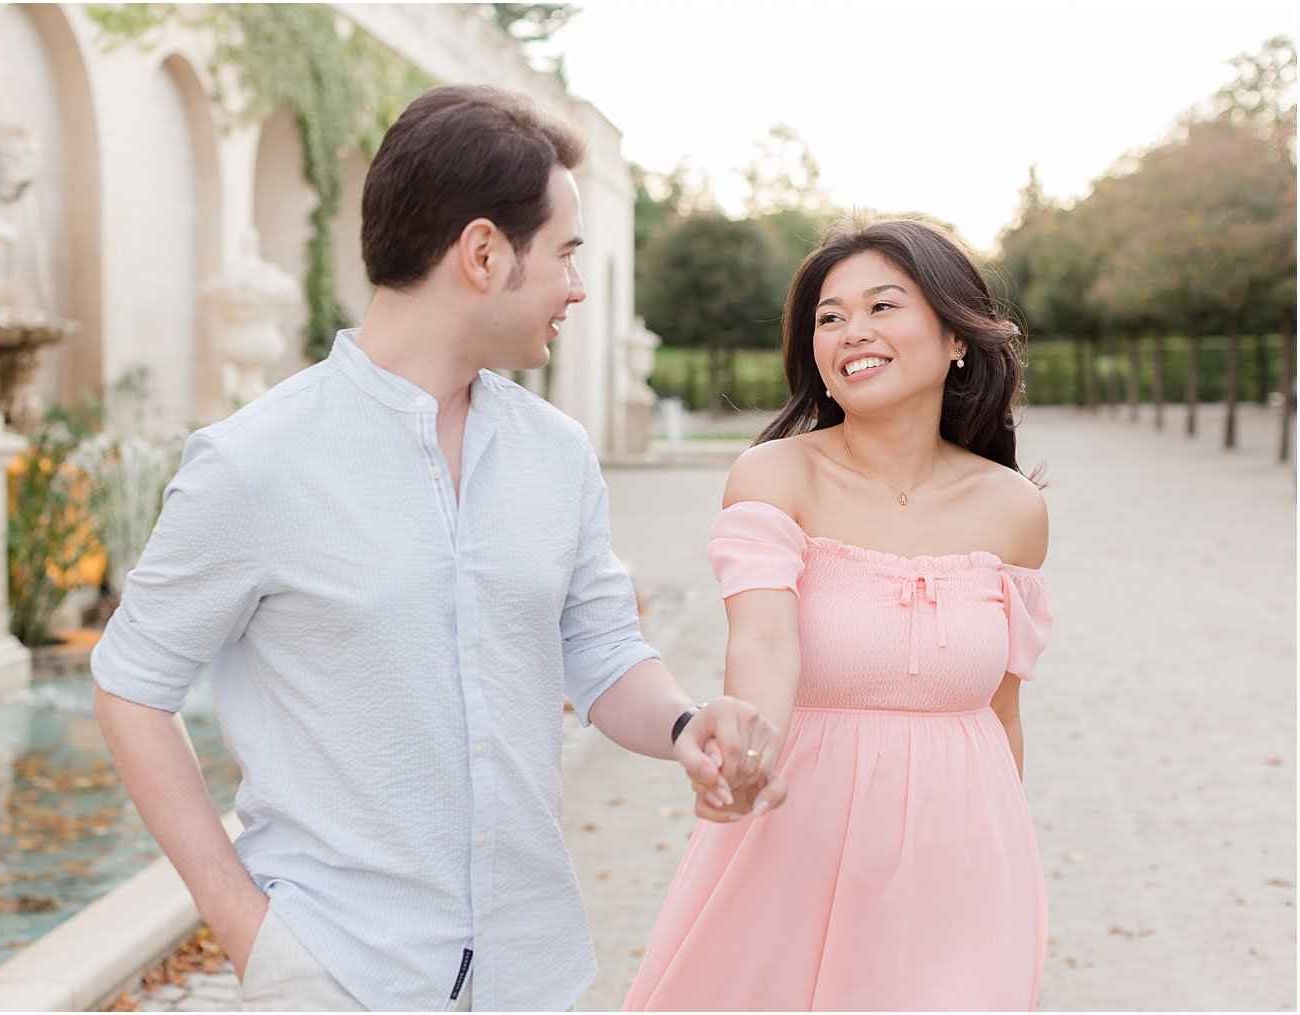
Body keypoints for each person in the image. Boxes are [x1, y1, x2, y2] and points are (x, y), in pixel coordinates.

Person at [89, 84, 786, 1013]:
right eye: (566, 255)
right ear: (485, 253)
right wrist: (251, 932)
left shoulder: (558, 453)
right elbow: (132, 683)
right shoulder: (253, 465)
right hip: (334, 972)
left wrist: (682, 725)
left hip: (528, 970)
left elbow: (604, 648)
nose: (579, 287)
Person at [624, 216, 1054, 1011]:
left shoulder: (1015, 510)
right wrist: (742, 755)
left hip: (961, 860)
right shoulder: (773, 477)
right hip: (798, 844)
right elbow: (761, 642)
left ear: (957, 337)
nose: (851, 330)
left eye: (884, 306)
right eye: (829, 316)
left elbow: (1001, 710)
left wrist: (998, 865)